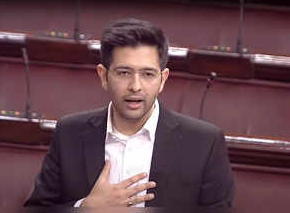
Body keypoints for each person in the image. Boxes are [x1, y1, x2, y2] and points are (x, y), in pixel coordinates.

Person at [24, 18, 234, 209]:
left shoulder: (204, 142)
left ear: (163, 79)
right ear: (104, 76)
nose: (135, 86)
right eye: (124, 73)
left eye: (148, 74)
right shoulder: (69, 132)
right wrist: (84, 208)